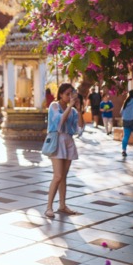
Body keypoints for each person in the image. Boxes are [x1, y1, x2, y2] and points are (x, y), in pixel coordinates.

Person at [45, 83, 81, 219]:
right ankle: (49, 207)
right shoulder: (54, 106)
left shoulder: (72, 111)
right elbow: (59, 122)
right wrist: (70, 106)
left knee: (64, 177)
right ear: (60, 94)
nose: (70, 96)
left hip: (68, 141)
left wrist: (78, 109)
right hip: (57, 141)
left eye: (72, 94)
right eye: (67, 94)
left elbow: (79, 129)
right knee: (58, 176)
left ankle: (62, 205)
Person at [121, 90, 133, 157]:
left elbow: (121, 112)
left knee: (126, 136)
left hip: (126, 122)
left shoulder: (125, 103)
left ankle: (123, 150)